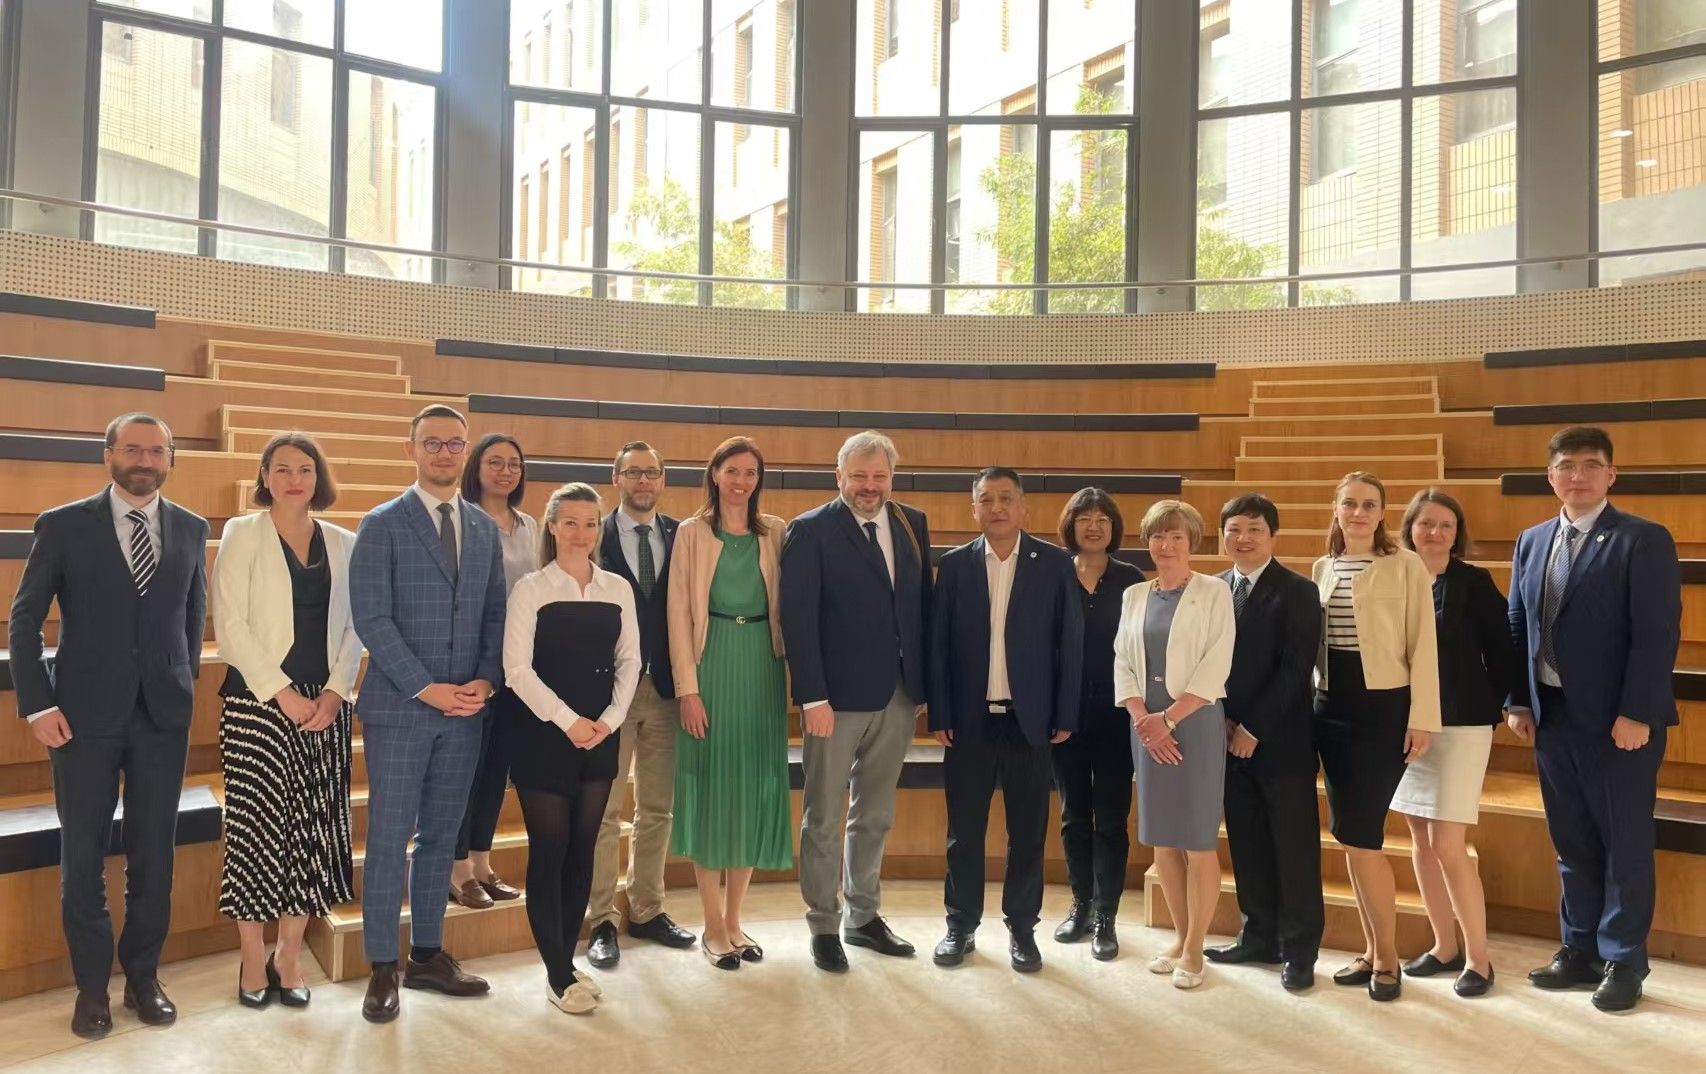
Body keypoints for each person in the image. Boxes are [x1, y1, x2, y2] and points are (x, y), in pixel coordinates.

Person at [8, 413, 208, 1039]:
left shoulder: (192, 528)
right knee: (83, 858)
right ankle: (91, 988)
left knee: (155, 857)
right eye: (132, 449)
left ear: (170, 458)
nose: (144, 460)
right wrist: (38, 705)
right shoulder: (63, 524)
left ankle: (144, 979)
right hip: (80, 720)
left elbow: (191, 619)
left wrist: (181, 686)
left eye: (156, 450)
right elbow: (23, 620)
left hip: (163, 719)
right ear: (108, 455)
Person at [1507, 427, 1680, 1013]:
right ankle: (1578, 949)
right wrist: (1519, 700)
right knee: (1572, 840)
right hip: (1552, 717)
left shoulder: (1642, 539)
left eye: (1590, 464)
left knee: (1624, 845)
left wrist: (1637, 712)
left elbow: (1656, 635)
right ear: (1550, 476)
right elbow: (1518, 626)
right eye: (1566, 465)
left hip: (1618, 724)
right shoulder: (1532, 541)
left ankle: (1624, 960)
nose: (1577, 475)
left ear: (1611, 475)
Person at [348, 404, 507, 1023]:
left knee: (442, 836)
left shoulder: (483, 528)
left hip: (466, 710)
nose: (444, 453)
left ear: (466, 451)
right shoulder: (382, 523)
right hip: (401, 709)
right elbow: (372, 618)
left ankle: (427, 956)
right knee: (390, 838)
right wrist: (426, 688)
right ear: (411, 449)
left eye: (454, 443)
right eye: (432, 443)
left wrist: (485, 681)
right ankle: (381, 966)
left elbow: (495, 612)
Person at [213, 433, 361, 1010]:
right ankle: (253, 956)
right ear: (265, 477)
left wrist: (335, 692)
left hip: (325, 707)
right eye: (282, 469)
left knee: (312, 833)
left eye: (305, 469)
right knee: (256, 832)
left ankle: (290, 955)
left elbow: (355, 627)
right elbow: (230, 623)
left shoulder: (344, 542)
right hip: (257, 703)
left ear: (318, 477)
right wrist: (283, 694)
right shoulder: (242, 533)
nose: (294, 479)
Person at [781, 431, 933, 973]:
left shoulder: (912, 523)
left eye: (879, 477)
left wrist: (921, 686)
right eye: (860, 476)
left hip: (899, 695)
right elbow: (798, 619)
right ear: (839, 476)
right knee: (824, 815)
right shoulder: (809, 530)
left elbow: (920, 608)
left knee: (875, 813)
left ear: (892, 477)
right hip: (834, 700)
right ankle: (824, 924)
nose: (870, 487)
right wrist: (812, 697)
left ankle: (863, 917)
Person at [929, 468, 1083, 974]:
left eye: (1005, 498)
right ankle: (960, 925)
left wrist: (1064, 712)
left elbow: (1070, 645)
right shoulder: (955, 566)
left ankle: (1022, 928)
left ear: (1023, 507)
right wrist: (941, 711)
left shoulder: (1054, 564)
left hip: (1030, 722)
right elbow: (939, 646)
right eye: (986, 499)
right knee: (963, 832)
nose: (996, 508)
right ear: (973, 508)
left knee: (1028, 832)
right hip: (968, 721)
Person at [504, 483, 641, 1014]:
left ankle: (563, 962)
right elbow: (517, 671)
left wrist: (609, 721)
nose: (581, 533)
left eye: (590, 523)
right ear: (552, 527)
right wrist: (568, 721)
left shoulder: (617, 588)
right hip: (543, 734)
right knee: (550, 850)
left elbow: (630, 661)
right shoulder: (531, 589)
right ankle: (559, 975)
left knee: (583, 851)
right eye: (570, 522)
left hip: (600, 735)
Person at [1312, 471, 1440, 1002]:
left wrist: (1421, 718)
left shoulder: (1406, 564)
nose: (1359, 513)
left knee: (1364, 837)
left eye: (1369, 504)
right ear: (1336, 509)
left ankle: (1388, 958)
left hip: (1383, 710)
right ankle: (1370, 949)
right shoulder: (1323, 566)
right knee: (1349, 836)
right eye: (1349, 503)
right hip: (1330, 707)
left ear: (1383, 513)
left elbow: (1424, 646)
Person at [666, 436, 791, 970]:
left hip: (762, 666)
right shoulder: (691, 533)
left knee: (752, 790)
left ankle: (736, 920)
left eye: (750, 473)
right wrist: (688, 690)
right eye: (732, 470)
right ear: (714, 473)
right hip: (711, 663)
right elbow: (676, 614)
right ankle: (712, 925)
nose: (741, 481)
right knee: (715, 791)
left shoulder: (776, 532)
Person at [1390, 488, 1518, 999]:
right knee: (1419, 840)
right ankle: (1444, 946)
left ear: (1457, 533)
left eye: (1446, 524)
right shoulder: (1393, 576)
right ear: (1410, 529)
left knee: (1447, 843)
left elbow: (1504, 651)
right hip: (1405, 727)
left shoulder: (1473, 582)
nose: (1435, 533)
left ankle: (1478, 959)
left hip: (1462, 728)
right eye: (1426, 524)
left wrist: (1487, 701)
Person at [1204, 494, 1325, 992]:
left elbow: (1296, 669)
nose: (1243, 538)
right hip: (1224, 739)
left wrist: (1252, 729)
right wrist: (1222, 722)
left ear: (1273, 536)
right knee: (1247, 844)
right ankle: (1257, 936)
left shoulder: (1298, 590)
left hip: (1282, 743)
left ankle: (1299, 951)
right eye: (1234, 529)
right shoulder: (1211, 589)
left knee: (1294, 851)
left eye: (1254, 529)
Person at [1114, 501, 1234, 991]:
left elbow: (1217, 662)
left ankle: (1196, 948)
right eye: (1158, 536)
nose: (1166, 545)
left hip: (1194, 724)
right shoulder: (1134, 595)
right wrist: (1143, 719)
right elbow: (1122, 660)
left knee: (1198, 841)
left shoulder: (1214, 591)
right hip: (1145, 727)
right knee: (1163, 839)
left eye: (1176, 537)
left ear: (1192, 542)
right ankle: (1181, 936)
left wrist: (1167, 719)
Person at [587, 442, 697, 967]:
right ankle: (601, 918)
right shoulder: (595, 535)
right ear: (616, 478)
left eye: (652, 472)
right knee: (605, 811)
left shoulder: (682, 536)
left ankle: (648, 908)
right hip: (610, 694)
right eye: (633, 472)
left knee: (657, 808)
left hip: (669, 691)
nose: (643, 481)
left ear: (663, 479)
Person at [1049, 488, 1143, 961]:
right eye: (1084, 518)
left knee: (1110, 819)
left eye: (1102, 518)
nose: (1093, 526)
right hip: (1065, 717)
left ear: (1113, 527)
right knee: (1073, 816)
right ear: (1071, 525)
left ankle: (1107, 915)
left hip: (1117, 715)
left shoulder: (1131, 579)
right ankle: (1080, 905)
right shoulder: (1053, 575)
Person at [448, 433, 537, 910]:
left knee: (495, 770)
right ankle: (456, 867)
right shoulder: (461, 520)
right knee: (465, 769)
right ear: (476, 468)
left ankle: (482, 863)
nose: (505, 471)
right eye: (495, 462)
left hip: (518, 666)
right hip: (473, 663)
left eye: (514, 463)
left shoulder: (530, 526)